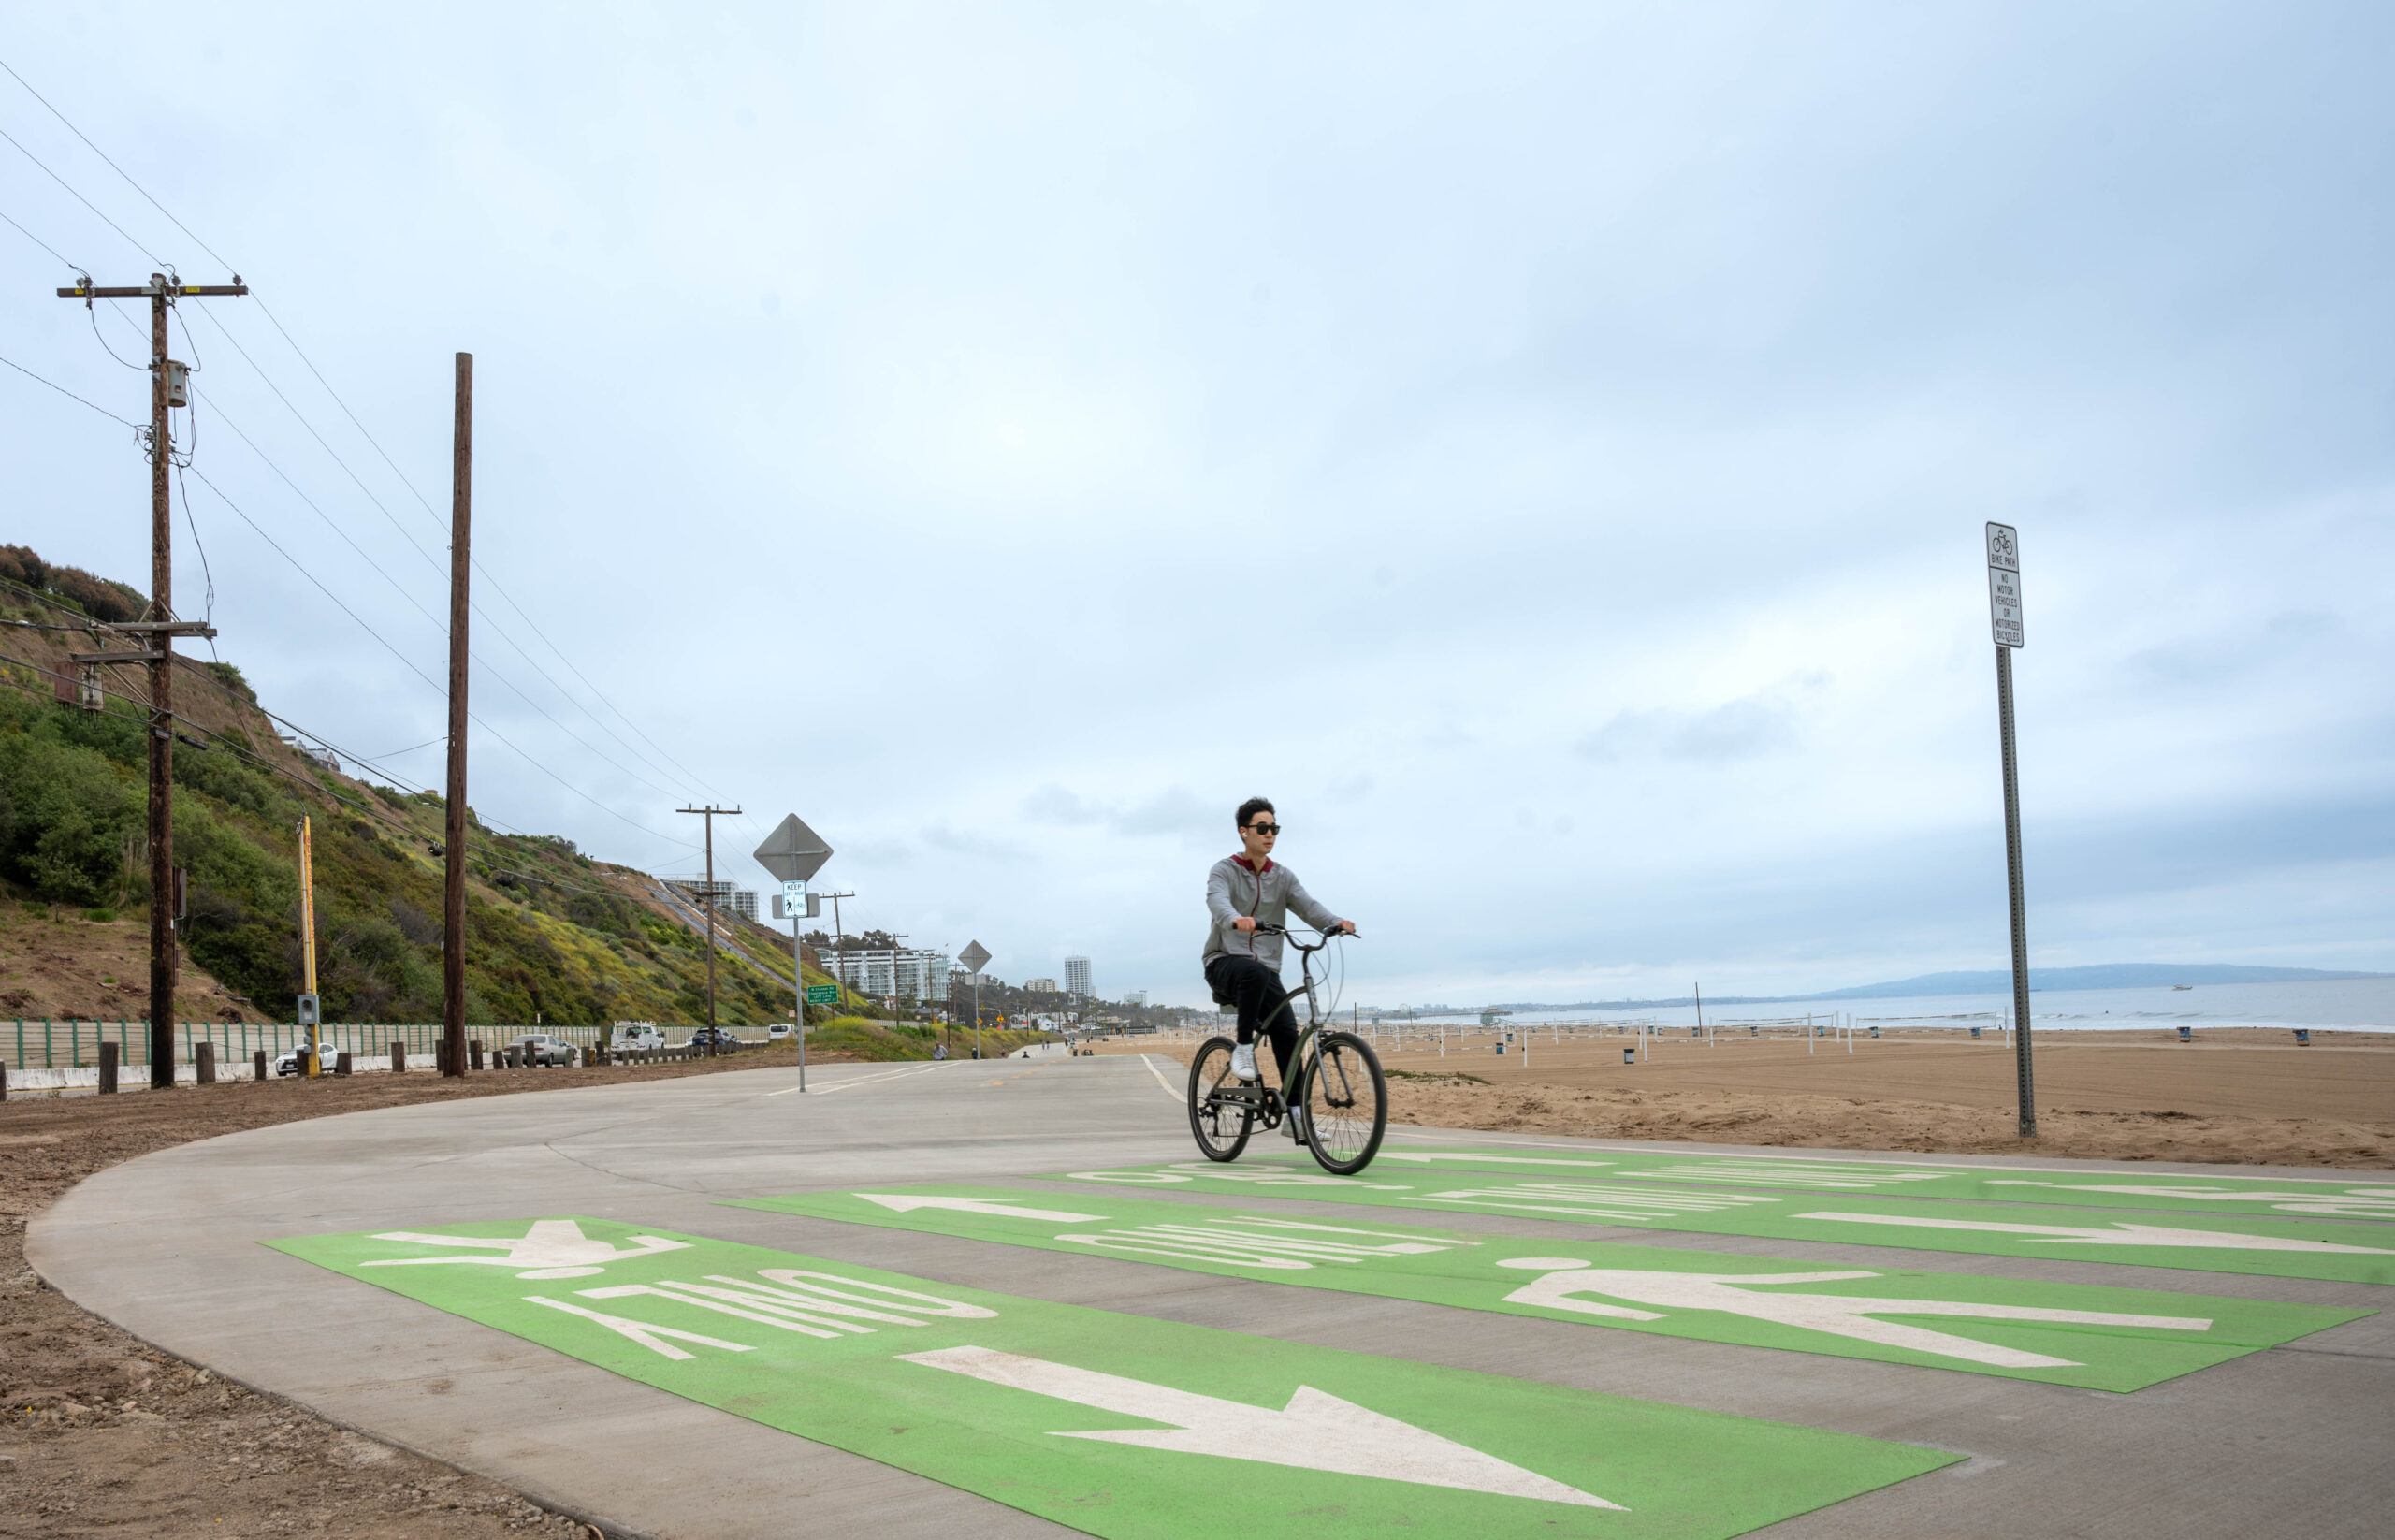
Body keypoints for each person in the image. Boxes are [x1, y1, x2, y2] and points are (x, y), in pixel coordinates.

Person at [1202, 796, 1357, 1097]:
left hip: (1266, 970)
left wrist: (1336, 922)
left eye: (1274, 828)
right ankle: (1244, 1048)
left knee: (1288, 1033)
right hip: (1224, 961)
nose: (1269, 834)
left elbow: (1308, 907)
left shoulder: (1282, 877)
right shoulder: (1224, 870)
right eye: (1262, 828)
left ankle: (1296, 1114)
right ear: (1243, 832)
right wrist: (1236, 919)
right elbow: (1217, 900)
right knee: (1255, 972)